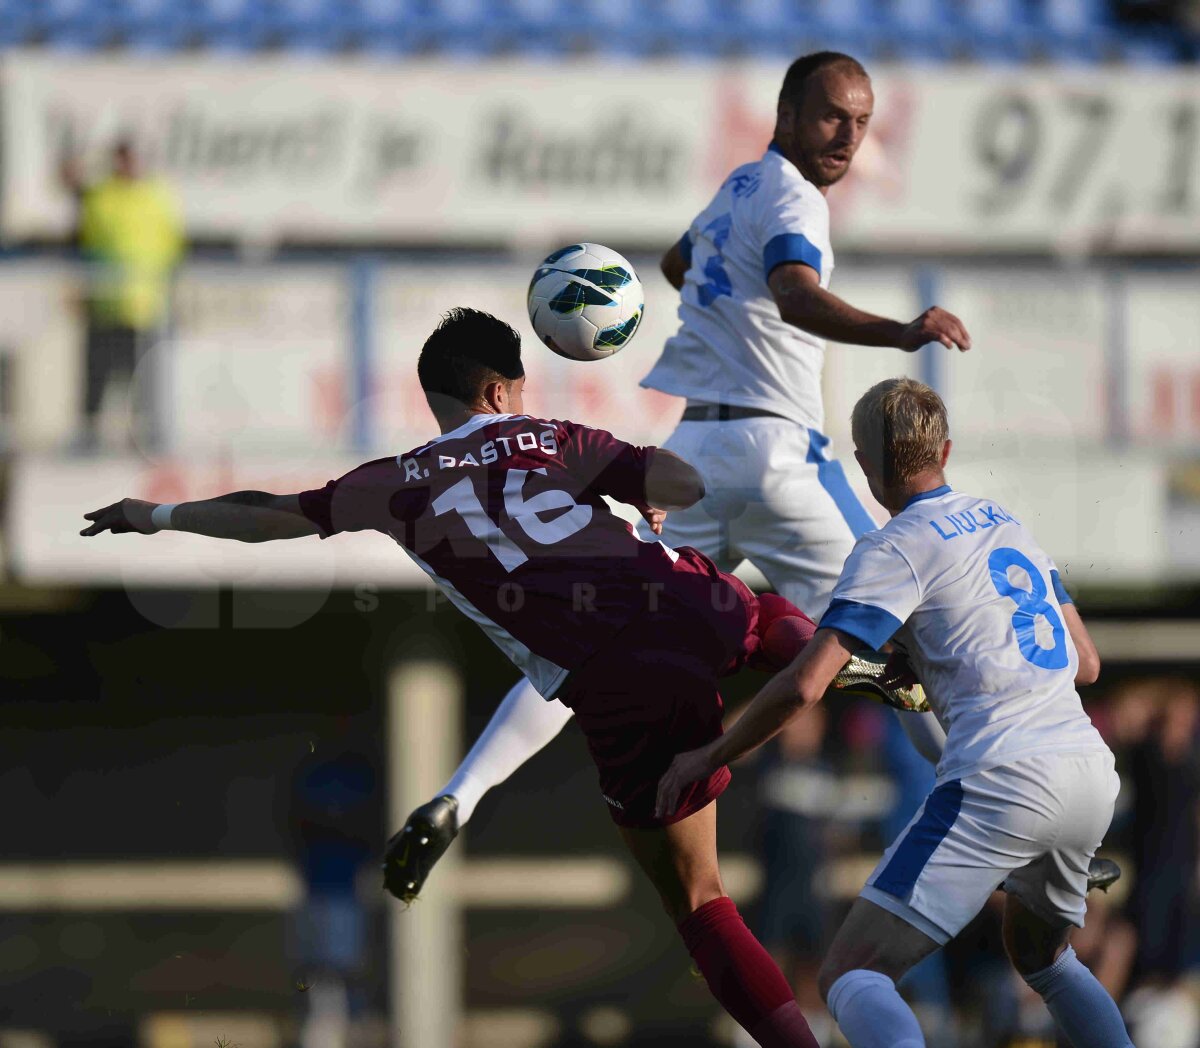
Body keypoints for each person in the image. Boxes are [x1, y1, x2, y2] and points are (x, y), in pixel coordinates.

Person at [80, 308, 919, 1047]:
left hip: (614, 679)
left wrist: (152, 515)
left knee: (700, 898)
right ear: (498, 392)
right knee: (735, 602)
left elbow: (268, 517)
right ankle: (841, 660)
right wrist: (651, 497)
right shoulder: (555, 436)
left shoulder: (393, 485)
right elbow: (679, 480)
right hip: (680, 600)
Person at [391, 50, 970, 893]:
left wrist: (707, 298)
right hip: (780, 457)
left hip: (693, 458)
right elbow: (797, 292)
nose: (846, 137)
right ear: (785, 114)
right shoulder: (793, 196)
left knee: (593, 641)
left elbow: (674, 264)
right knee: (913, 638)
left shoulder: (740, 185)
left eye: (861, 122)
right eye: (831, 117)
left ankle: (459, 793)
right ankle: (1003, 824)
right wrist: (901, 330)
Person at [656, 378, 1134, 1048]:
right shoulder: (1006, 522)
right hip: (1087, 773)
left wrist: (709, 755)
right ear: (946, 449)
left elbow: (805, 687)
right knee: (1045, 958)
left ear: (865, 466)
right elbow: (1085, 665)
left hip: (1000, 779)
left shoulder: (892, 548)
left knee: (852, 974)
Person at [61, 138, 185, 452]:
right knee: (98, 379)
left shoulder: (157, 195)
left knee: (145, 384)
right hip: (105, 304)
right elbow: (74, 197)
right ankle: (89, 437)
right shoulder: (101, 196)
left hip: (147, 309)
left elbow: (173, 249)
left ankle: (147, 441)